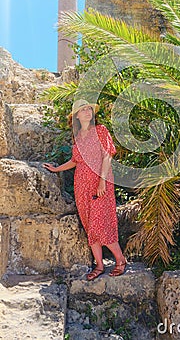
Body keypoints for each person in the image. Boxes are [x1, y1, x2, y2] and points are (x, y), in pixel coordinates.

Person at [43, 99, 126, 280]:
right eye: (83, 110)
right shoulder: (78, 136)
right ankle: (99, 265)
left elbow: (107, 155)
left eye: (89, 109)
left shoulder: (101, 131)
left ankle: (120, 260)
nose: (88, 112)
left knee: (102, 222)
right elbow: (75, 161)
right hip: (81, 185)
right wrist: (56, 169)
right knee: (90, 224)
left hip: (100, 182)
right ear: (77, 116)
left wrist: (102, 180)